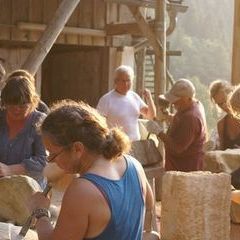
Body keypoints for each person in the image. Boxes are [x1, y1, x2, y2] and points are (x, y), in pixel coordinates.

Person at [29, 100, 154, 240]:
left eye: (53, 154)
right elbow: (149, 206)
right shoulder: (134, 165)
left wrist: (40, 212)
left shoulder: (82, 190)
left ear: (78, 149)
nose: (51, 160)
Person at [147, 79, 207, 172]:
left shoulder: (190, 118)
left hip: (185, 169)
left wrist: (159, 132)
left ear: (186, 98)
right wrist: (170, 117)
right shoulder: (195, 104)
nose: (173, 103)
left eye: (176, 101)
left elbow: (177, 147)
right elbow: (184, 124)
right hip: (182, 166)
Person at [0, 73, 47, 187]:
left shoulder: (40, 121)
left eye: (22, 106)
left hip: (30, 187)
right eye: (11, 106)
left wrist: (11, 170)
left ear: (33, 102)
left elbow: (44, 160)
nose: (16, 110)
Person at [97, 65, 156, 141]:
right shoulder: (106, 99)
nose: (126, 84)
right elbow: (98, 124)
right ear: (116, 81)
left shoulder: (134, 96)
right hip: (116, 145)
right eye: (123, 81)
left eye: (128, 80)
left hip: (136, 143)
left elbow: (151, 116)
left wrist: (149, 98)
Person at [209, 80, 240, 150]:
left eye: (225, 101)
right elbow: (222, 153)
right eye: (219, 104)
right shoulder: (221, 124)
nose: (224, 106)